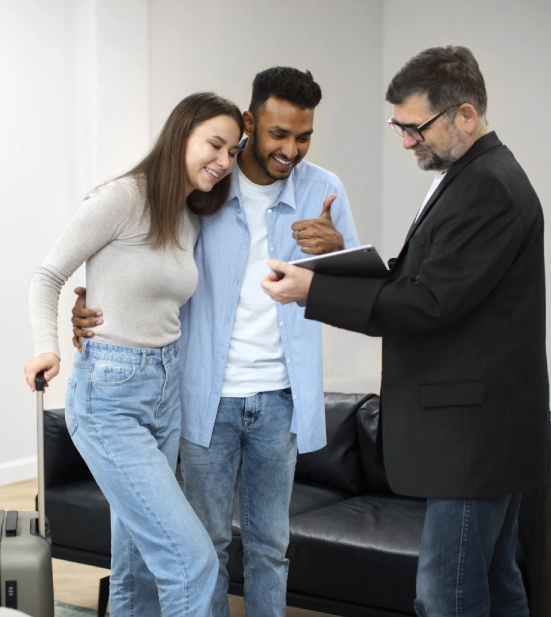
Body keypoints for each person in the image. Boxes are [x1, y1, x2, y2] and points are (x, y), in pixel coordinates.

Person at [262, 47, 549, 617]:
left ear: (464, 115)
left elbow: (428, 302)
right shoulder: (467, 176)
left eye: (415, 127)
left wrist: (311, 290)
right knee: (496, 582)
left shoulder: (487, 186)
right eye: (398, 127)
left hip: (474, 434)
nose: (406, 141)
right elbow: (424, 279)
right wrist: (338, 254)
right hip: (487, 429)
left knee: (446, 595)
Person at [72, 66, 359, 617]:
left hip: (281, 398)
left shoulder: (324, 191)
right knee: (205, 546)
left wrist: (338, 248)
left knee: (271, 550)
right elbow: (143, 255)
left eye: (303, 138)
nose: (290, 150)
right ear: (251, 122)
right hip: (204, 398)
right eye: (278, 134)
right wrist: (91, 308)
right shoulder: (205, 187)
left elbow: (356, 292)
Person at [24, 92, 244, 617]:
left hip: (165, 393)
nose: (224, 160)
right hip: (110, 398)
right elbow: (47, 276)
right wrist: (47, 346)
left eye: (234, 151)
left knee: (139, 561)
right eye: (215, 144)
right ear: (181, 134)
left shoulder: (189, 216)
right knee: (191, 562)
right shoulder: (120, 198)